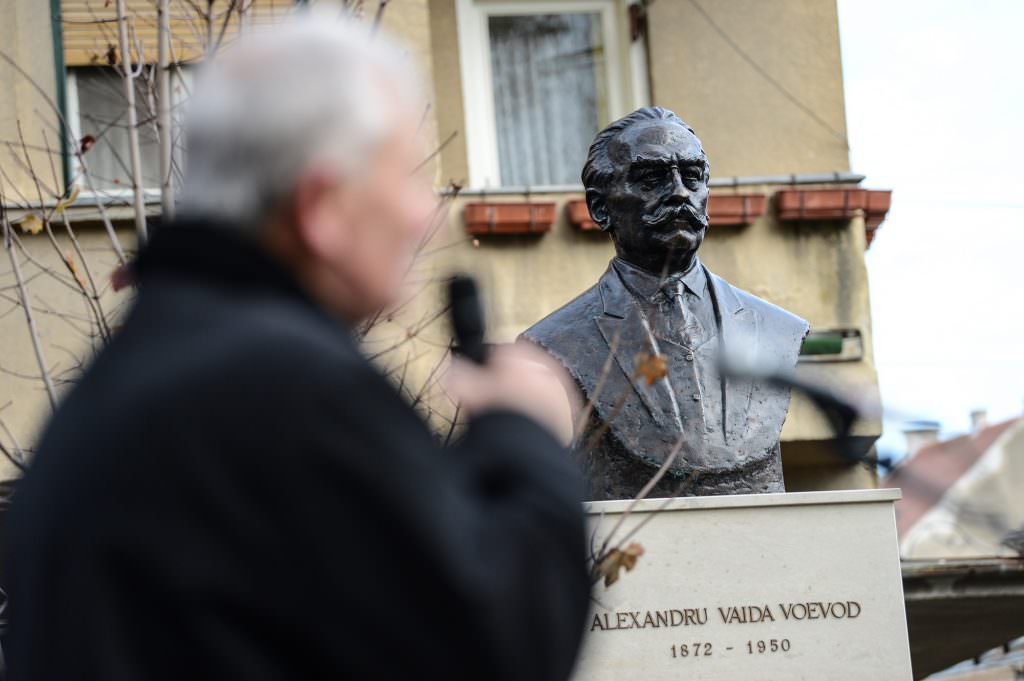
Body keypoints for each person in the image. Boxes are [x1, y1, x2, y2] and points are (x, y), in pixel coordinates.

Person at [4, 17, 588, 681]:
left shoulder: (135, 372)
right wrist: (525, 434)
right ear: (321, 206)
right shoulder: (287, 390)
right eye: (406, 176)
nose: (424, 214)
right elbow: (498, 645)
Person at [521, 107, 809, 501]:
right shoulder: (557, 342)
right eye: (652, 178)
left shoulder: (779, 330)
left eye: (692, 177)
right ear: (600, 208)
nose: (679, 192)